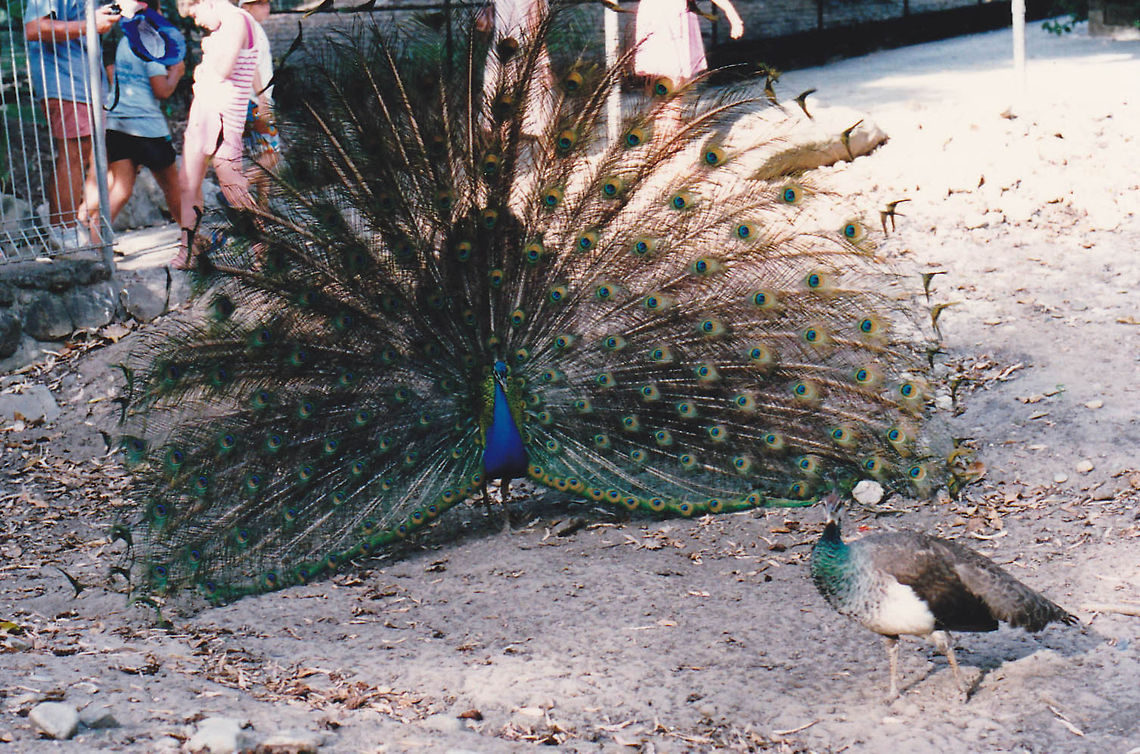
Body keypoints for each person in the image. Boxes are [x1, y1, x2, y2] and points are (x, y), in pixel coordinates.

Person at [77, 0, 185, 242]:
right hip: (147, 128)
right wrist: (176, 73)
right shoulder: (152, 42)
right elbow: (162, 90)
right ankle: (192, 237)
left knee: (121, 190)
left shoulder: (125, 41)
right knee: (173, 188)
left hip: (118, 124)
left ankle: (96, 242)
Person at [24, 0, 120, 248]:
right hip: (63, 79)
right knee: (73, 153)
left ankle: (70, 226)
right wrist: (89, 24)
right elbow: (33, 28)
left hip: (86, 80)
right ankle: (64, 232)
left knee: (86, 153)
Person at [174, 0, 261, 269]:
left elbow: (222, 70)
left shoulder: (237, 20)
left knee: (233, 186)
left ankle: (264, 249)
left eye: (196, 13)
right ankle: (188, 249)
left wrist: (206, 60)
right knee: (188, 182)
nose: (197, 22)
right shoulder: (222, 29)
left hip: (224, 116)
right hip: (205, 112)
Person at [634, 0, 743, 88]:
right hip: (658, 16)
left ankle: (671, 107)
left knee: (674, 74)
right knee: (664, 72)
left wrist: (733, 16)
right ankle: (667, 107)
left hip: (676, 15)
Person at [238, 0, 280, 203]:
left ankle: (263, 208)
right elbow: (251, 65)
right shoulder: (249, 29)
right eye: (260, 3)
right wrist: (262, 98)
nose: (267, 7)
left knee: (261, 154)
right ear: (246, 6)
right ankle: (237, 189)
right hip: (255, 100)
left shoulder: (249, 27)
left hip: (251, 99)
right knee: (272, 155)